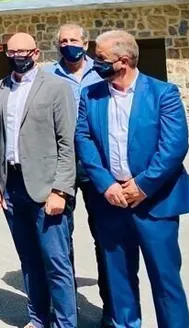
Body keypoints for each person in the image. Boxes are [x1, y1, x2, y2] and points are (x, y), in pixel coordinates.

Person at [75, 30, 189, 328]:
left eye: (101, 58)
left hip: (155, 202)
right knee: (119, 279)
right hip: (110, 202)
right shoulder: (90, 95)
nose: (95, 62)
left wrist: (142, 186)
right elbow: (84, 139)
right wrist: (106, 184)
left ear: (124, 61)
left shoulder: (162, 93)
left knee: (165, 279)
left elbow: (174, 146)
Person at [0, 32, 77, 328]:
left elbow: (68, 143)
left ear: (36, 53)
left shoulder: (56, 87)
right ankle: (38, 319)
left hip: (46, 187)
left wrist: (61, 190)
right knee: (29, 260)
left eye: (24, 51)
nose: (18, 57)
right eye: (12, 52)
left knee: (57, 263)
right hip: (12, 186)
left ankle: (65, 323)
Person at [47, 23, 113, 327]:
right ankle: (63, 308)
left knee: (106, 240)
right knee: (60, 240)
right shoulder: (47, 75)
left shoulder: (101, 72)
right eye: (63, 41)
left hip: (97, 165)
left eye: (73, 40)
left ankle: (111, 308)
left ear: (85, 44)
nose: (68, 44)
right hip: (61, 167)